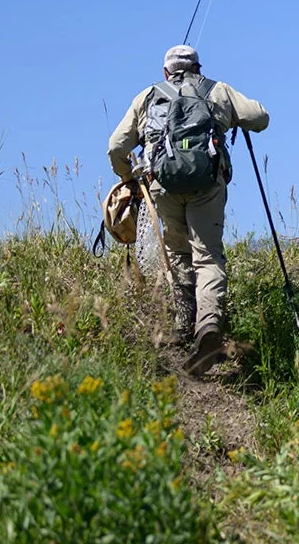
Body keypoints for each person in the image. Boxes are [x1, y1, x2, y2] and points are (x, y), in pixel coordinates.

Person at [108, 45, 270, 373]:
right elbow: (260, 117)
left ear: (166, 72)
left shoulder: (149, 96)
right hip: (207, 182)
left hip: (161, 185)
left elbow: (116, 146)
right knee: (207, 256)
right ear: (199, 67)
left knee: (178, 253)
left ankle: (185, 324)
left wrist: (129, 177)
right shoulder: (218, 90)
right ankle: (208, 326)